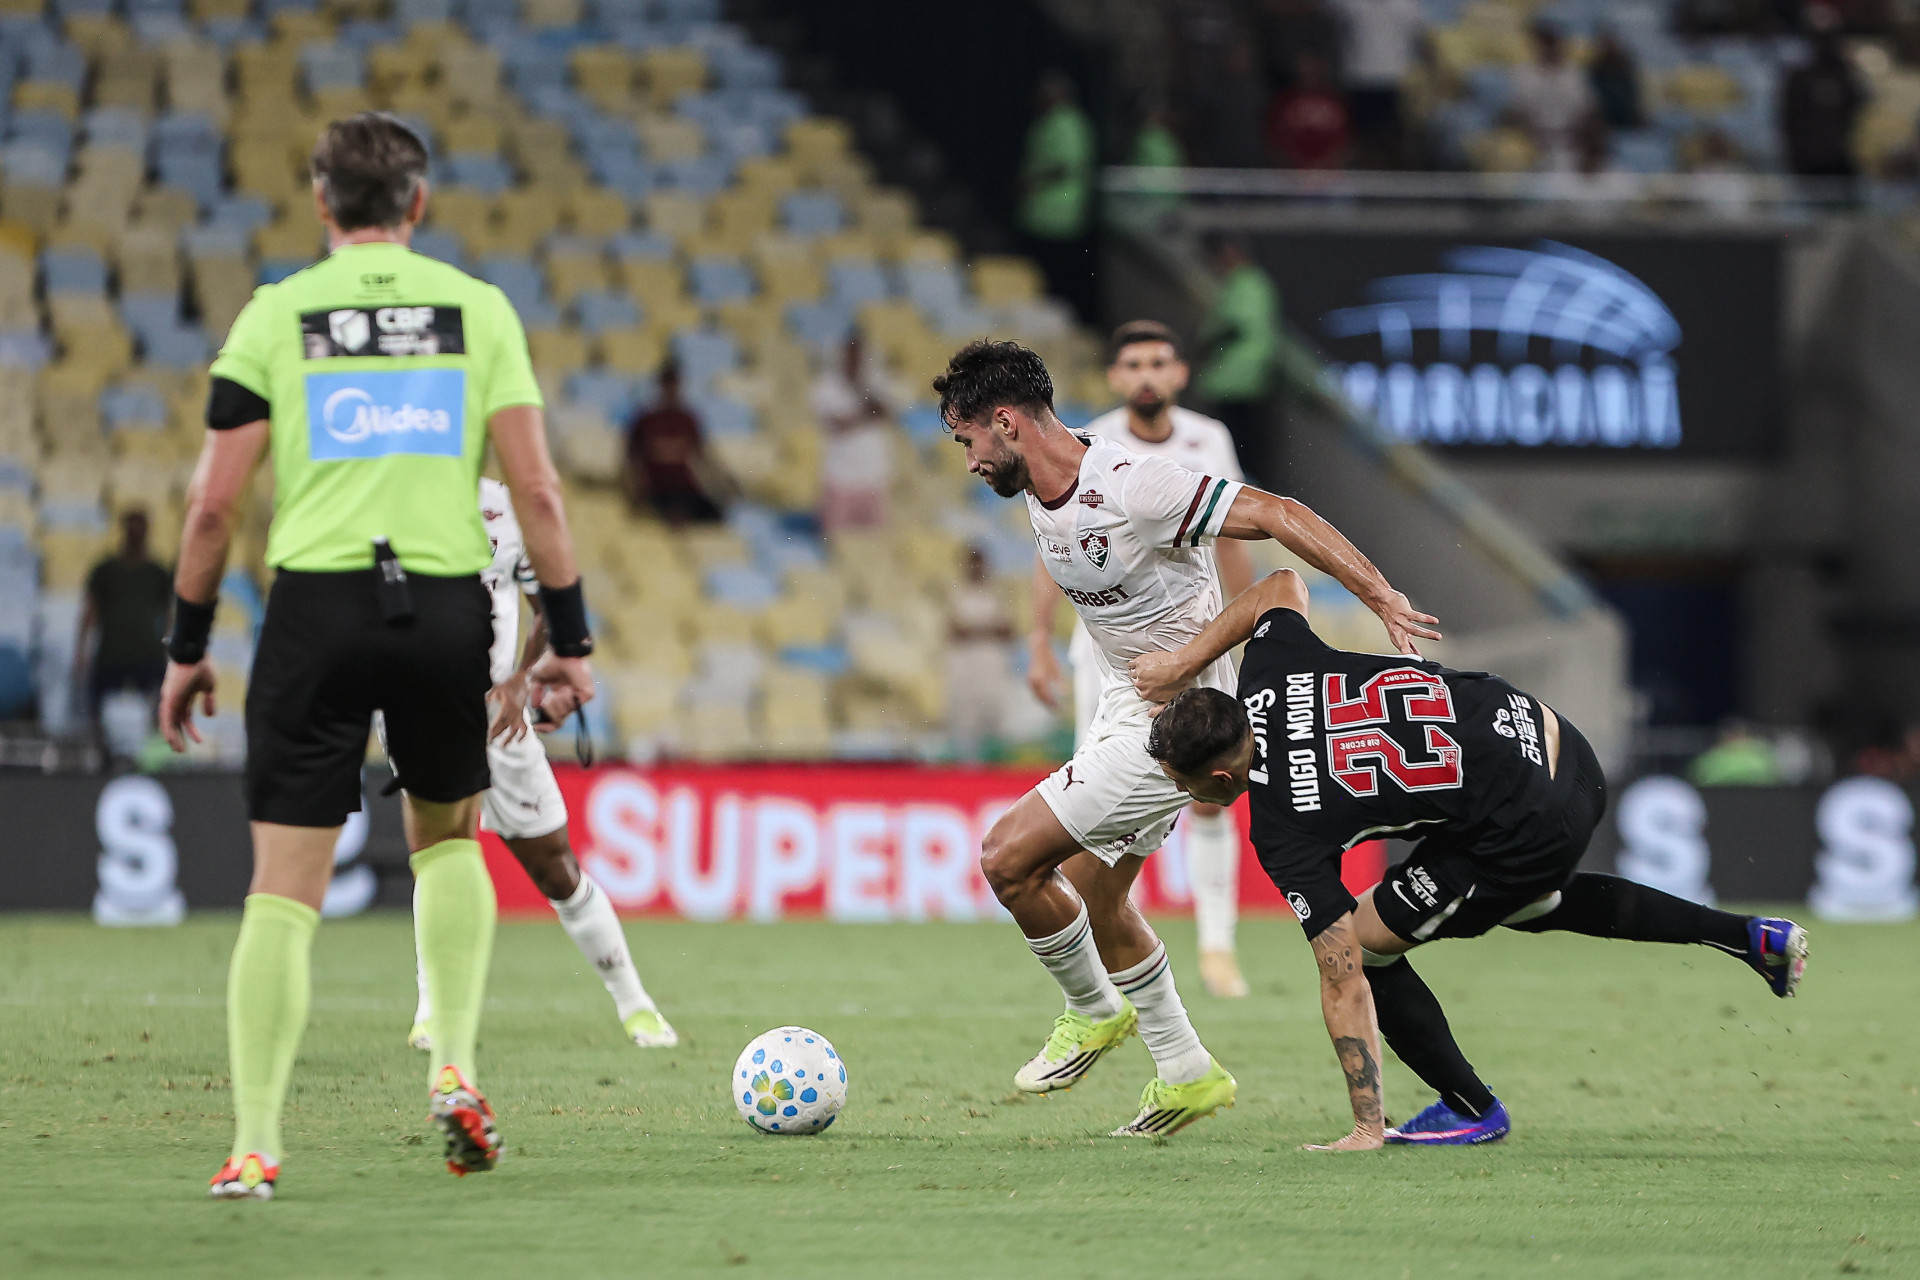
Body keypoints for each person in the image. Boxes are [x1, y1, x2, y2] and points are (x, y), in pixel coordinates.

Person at [159, 113, 597, 1200]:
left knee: (282, 891)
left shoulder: (273, 314)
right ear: (417, 205)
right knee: (448, 841)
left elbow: (214, 505)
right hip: (445, 608)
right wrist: (573, 639)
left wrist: (185, 644)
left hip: (315, 607)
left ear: (321, 205)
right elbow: (537, 491)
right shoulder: (477, 311)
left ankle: (255, 1144)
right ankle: (453, 1064)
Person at [934, 339, 1438, 1136]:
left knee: (1005, 857)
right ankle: (1186, 1072)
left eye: (966, 440)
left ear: (1005, 422)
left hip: (1181, 720)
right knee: (1098, 895)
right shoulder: (1039, 482)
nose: (967, 461)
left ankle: (1093, 1009)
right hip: (1122, 704)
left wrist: (1378, 594)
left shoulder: (1136, 485)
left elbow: (1276, 515)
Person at [1135, 570, 1810, 1150]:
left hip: (1530, 817)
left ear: (1219, 782)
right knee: (1537, 903)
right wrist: (1183, 661)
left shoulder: (1281, 827)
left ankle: (1471, 1110)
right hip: (1555, 739)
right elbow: (1279, 585)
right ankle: (1752, 937)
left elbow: (1341, 977)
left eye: (1179, 781)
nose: (1179, 792)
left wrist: (1366, 1125)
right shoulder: (1272, 664)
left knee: (1370, 948)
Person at [1026, 320, 1258, 998]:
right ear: (1116, 378)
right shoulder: (1089, 442)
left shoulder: (1209, 439)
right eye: (1134, 363)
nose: (1148, 374)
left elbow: (1234, 531)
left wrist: (1240, 628)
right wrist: (1039, 639)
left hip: (1193, 644)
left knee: (1211, 788)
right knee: (1096, 800)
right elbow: (1051, 546)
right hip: (1102, 654)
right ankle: (1118, 933)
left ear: (1179, 374)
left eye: (1160, 361)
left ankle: (1218, 947)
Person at [403, 478, 676, 1053]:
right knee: (443, 855)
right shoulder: (390, 494)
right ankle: (433, 1013)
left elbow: (550, 605)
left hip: (498, 716)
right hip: (421, 706)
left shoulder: (503, 506)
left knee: (556, 868)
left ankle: (636, 1004)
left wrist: (521, 679)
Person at [75, 507, 172, 738]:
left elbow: (168, 614)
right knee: (96, 705)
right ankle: (100, 748)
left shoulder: (157, 573)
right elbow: (90, 611)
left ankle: (153, 749)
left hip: (147, 653)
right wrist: (81, 650)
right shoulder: (106, 570)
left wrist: (168, 647)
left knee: (161, 702)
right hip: (112, 652)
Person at [1194, 235, 1281, 482]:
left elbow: (1237, 325)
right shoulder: (1238, 283)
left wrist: (1205, 343)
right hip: (1237, 380)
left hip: (1241, 381)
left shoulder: (1249, 282)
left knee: (1241, 447)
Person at [1016, 70, 1098, 322]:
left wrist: (1032, 181)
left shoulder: (1067, 122)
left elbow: (1064, 165)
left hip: (1058, 216)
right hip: (1043, 215)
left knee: (1056, 280)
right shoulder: (1049, 120)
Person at [811, 335, 896, 534]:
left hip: (873, 475)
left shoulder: (873, 381)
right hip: (840, 476)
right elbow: (838, 424)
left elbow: (886, 411)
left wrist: (860, 388)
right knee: (836, 538)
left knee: (876, 540)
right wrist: (868, 414)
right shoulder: (827, 386)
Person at [624, 360, 725, 525]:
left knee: (715, 514)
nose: (671, 390)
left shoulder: (688, 419)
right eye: (667, 385)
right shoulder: (646, 420)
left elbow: (702, 455)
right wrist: (637, 486)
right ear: (660, 386)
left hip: (684, 487)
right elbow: (631, 456)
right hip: (657, 488)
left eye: (674, 385)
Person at [1331, 0, 1424, 166]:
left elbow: (1419, 40)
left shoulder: (1408, 5)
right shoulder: (1347, 5)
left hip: (1399, 80)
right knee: (1362, 138)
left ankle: (1397, 176)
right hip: (1359, 79)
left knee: (1396, 140)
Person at [945, 544, 1015, 761]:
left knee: (994, 724)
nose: (976, 567)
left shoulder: (996, 593)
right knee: (965, 728)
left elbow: (1008, 632)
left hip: (992, 668)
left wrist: (974, 628)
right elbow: (955, 631)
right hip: (964, 670)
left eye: (979, 562)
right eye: (972, 562)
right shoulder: (955, 593)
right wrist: (987, 628)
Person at [1781, 18, 1865, 181]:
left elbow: (1858, 117)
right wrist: (1796, 157)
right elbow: (1790, 120)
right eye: (1820, 39)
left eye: (1830, 39)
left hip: (1844, 161)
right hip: (1808, 160)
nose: (1826, 44)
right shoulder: (1800, 78)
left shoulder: (1847, 77)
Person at [1510, 21, 1598, 173]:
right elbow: (1517, 112)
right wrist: (1535, 134)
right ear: (1537, 46)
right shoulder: (1523, 73)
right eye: (1545, 44)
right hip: (1533, 138)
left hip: (1570, 138)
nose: (1550, 49)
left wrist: (1575, 137)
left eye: (1553, 44)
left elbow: (1587, 110)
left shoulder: (1573, 74)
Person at [1265, 51, 1353, 169]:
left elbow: (1346, 139)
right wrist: (1295, 166)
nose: (1308, 71)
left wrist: (1326, 165)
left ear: (1321, 68)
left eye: (1312, 66)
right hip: (1290, 174)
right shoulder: (1284, 100)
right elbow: (1274, 139)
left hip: (1330, 174)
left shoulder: (1335, 99)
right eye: (1304, 66)